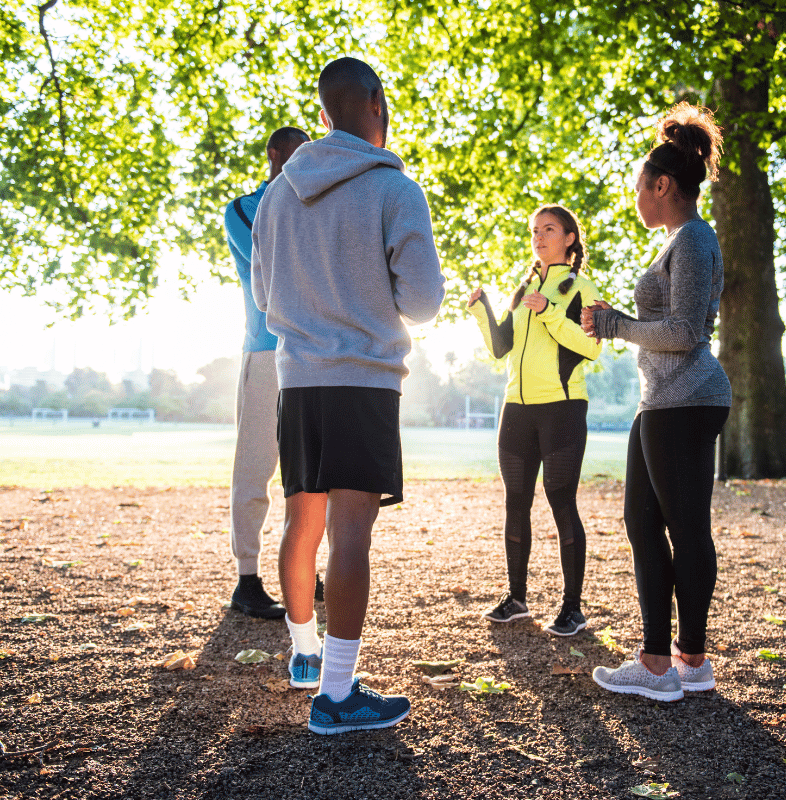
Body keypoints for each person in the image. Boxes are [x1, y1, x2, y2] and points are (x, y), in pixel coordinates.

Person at [253, 56, 446, 734]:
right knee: (352, 535)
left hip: (297, 382)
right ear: (374, 102)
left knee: (300, 523)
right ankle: (336, 697)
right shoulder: (396, 191)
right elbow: (422, 304)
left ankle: (305, 654)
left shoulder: (276, 194)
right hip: (362, 382)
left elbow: (263, 296)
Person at [583, 103, 730, 702]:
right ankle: (668, 663)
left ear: (662, 185)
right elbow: (669, 324)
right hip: (662, 401)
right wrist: (615, 321)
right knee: (643, 523)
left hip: (686, 401)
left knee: (684, 529)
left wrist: (617, 324)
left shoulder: (693, 238)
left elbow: (686, 331)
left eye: (638, 188)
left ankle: (677, 664)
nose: (635, 198)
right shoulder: (679, 240)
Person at [467, 205, 603, 636]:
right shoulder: (524, 286)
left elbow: (590, 346)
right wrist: (481, 311)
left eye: (549, 229)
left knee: (561, 501)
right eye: (534, 230)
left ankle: (572, 608)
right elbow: (501, 346)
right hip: (517, 409)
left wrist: (548, 311)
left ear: (569, 238)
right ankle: (516, 597)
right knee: (515, 501)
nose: (539, 237)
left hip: (561, 407)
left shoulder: (582, 287)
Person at [224, 126, 310, 620]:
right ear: (275, 154)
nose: (304, 162)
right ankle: (248, 578)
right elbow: (279, 261)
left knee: (305, 472)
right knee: (254, 468)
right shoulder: (242, 209)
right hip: (264, 354)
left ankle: (303, 569)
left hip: (308, 356)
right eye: (297, 152)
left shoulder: (309, 206)